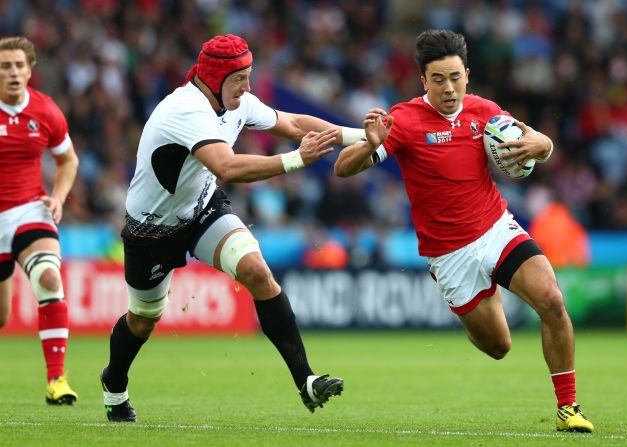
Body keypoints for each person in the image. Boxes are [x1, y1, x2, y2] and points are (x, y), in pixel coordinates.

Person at [334, 29, 594, 433]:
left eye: (455, 77)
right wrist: (369, 146)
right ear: (423, 81)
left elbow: (537, 143)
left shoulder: (484, 111)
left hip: (496, 228)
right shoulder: (402, 120)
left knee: (551, 299)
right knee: (498, 347)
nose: (448, 88)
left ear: (467, 75)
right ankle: (476, 308)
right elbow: (342, 168)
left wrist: (542, 144)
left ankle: (568, 407)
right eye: (438, 79)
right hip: (450, 253)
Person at [100, 34, 366, 422]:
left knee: (257, 272)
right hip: (151, 231)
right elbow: (226, 167)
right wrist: (295, 160)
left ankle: (306, 380)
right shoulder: (185, 109)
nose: (248, 86)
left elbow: (292, 122)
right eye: (240, 78)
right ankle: (114, 382)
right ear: (215, 77)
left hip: (203, 208)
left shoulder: (234, 101)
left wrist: (360, 135)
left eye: (248, 75)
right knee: (143, 319)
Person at [0, 36, 79, 405]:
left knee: (49, 277)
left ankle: (57, 379)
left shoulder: (46, 111)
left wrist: (58, 198)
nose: (13, 72)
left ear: (30, 70)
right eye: (5, 66)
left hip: (29, 210)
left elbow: (68, 160)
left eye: (19, 65)